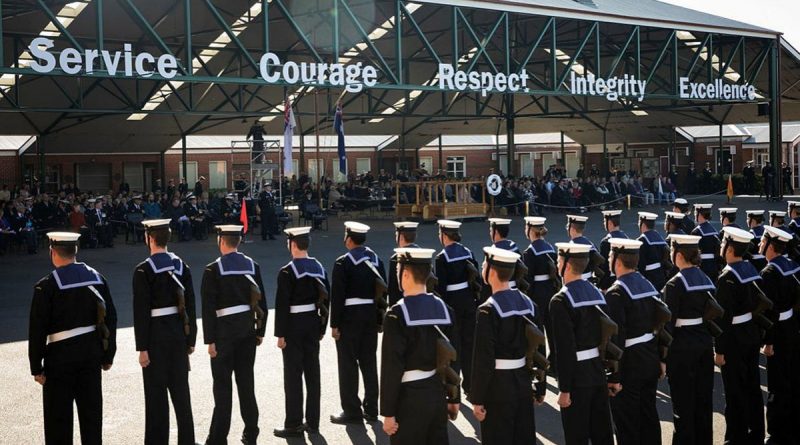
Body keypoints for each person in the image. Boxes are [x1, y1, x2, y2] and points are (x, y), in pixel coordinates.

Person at [28, 232, 117, 444]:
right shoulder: (97, 278)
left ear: (52, 252)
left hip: (60, 359)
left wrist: (36, 367)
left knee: (58, 422)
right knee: (92, 418)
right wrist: (108, 355)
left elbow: (37, 329)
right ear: (75, 250)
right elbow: (111, 319)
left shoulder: (46, 286)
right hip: (91, 355)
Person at [380, 247, 459, 444]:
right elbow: (454, 356)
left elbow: (391, 366)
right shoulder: (446, 309)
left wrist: (388, 413)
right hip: (437, 392)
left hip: (408, 399)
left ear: (405, 274)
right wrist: (453, 397)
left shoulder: (396, 314)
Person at [470, 246, 545, 445]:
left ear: (491, 273)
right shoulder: (530, 304)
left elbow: (483, 358)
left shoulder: (487, 310)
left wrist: (477, 398)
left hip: (497, 387)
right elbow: (540, 349)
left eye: (485, 265)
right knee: (523, 437)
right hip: (522, 381)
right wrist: (540, 386)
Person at [201, 225, 268, 445]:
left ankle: (218, 438)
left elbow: (208, 309)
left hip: (223, 334)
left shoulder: (213, 269)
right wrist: (260, 332)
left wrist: (210, 340)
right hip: (248, 330)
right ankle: (251, 433)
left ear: (221, 241)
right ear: (238, 242)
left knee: (222, 388)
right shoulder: (252, 266)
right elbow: (262, 303)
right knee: (246, 384)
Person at [133, 219, 197, 445]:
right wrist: (191, 340)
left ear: (149, 238)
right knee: (181, 393)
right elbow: (190, 305)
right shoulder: (182, 266)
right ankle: (187, 440)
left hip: (155, 337)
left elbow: (140, 312)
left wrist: (142, 348)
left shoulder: (143, 270)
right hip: (179, 334)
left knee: (155, 394)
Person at [550, 242, 614, 445]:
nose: (556, 264)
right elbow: (610, 336)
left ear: (567, 265)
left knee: (576, 436)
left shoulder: (560, 300)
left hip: (577, 378)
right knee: (602, 434)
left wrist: (565, 389)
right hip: (597, 372)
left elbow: (565, 349)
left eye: (558, 261)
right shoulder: (598, 293)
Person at [605, 238, 667, 445]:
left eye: (610, 256)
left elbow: (616, 338)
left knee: (627, 423)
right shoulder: (647, 284)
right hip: (649, 357)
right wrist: (660, 358)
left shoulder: (616, 292)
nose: (608, 259)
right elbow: (660, 325)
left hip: (629, 364)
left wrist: (613, 376)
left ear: (617, 261)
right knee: (648, 416)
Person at [273, 227, 329, 437]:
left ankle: (294, 423)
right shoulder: (319, 268)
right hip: (313, 322)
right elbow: (327, 299)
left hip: (293, 324)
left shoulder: (287, 271)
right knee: (313, 373)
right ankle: (313, 422)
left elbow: (282, 304)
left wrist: (280, 334)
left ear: (292, 244)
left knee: (293, 375)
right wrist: (322, 327)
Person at [715, 226, 769, 444]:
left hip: (734, 339)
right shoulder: (750, 268)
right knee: (752, 388)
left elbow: (723, 319)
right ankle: (755, 434)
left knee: (735, 391)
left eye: (722, 244)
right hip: (750, 334)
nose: (720, 247)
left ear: (729, 249)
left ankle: (735, 438)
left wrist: (719, 350)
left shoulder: (726, 277)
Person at [662, 234, 717, 445]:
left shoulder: (675, 284)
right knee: (703, 401)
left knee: (683, 404)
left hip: (682, 347)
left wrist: (662, 356)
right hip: (703, 344)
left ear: (678, 254)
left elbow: (668, 324)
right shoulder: (706, 279)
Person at [329, 221, 386, 424]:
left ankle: (352, 409)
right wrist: (380, 320)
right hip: (370, 315)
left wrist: (334, 324)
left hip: (349, 318)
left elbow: (337, 297)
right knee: (369, 362)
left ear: (349, 239)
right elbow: (383, 293)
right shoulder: (376, 260)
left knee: (348, 364)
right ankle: (371, 408)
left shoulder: (342, 263)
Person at [758, 226, 800, 444]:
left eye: (762, 242)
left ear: (771, 246)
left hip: (778, 333)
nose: (759, 245)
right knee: (793, 378)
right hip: (792, 328)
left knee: (777, 382)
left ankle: (776, 432)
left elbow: (769, 311)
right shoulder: (793, 266)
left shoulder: (769, 273)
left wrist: (768, 340)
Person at [434, 219, 481, 395]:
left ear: (445, 235)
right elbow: (476, 280)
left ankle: (454, 388)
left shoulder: (442, 257)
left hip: (452, 304)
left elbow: (441, 288)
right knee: (469, 345)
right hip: (468, 301)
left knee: (453, 347)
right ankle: (470, 386)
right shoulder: (468, 252)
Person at [521, 216, 559, 368]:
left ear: (530, 230)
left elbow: (528, 278)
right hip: (550, 289)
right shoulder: (550, 247)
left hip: (537, 292)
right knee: (552, 328)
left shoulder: (530, 252)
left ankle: (541, 361)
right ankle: (556, 361)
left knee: (538, 329)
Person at [565, 214, 606, 284]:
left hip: (576, 281)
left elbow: (600, 259)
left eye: (567, 227)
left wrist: (593, 267)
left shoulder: (572, 245)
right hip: (589, 279)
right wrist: (592, 267)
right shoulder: (588, 242)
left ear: (571, 228)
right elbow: (600, 259)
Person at [388, 222, 420, 306]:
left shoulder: (396, 258)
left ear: (401, 237)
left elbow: (393, 289)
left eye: (396, 235)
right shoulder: (423, 254)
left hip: (403, 304)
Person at [637, 212, 671, 290]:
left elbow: (640, 265)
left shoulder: (641, 240)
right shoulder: (660, 238)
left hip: (648, 278)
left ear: (643, 224)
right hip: (661, 276)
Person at [598, 210, 629, 290]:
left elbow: (604, 267)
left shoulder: (606, 242)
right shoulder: (627, 238)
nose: (604, 224)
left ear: (610, 223)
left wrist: (603, 286)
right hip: (626, 279)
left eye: (605, 221)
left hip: (611, 281)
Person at [691, 204, 722, 282]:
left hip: (702, 265)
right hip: (713, 265)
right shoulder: (714, 230)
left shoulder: (696, 231)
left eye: (695, 213)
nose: (694, 215)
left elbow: (693, 252)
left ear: (700, 214)